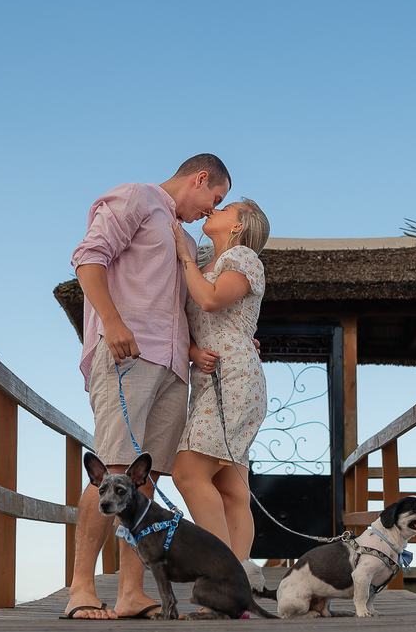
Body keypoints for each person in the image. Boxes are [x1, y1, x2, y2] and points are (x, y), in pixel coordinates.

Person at [64, 154, 231, 620]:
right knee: (114, 467)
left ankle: (130, 593)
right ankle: (81, 589)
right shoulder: (137, 197)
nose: (209, 210)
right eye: (213, 199)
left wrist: (195, 348)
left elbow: (180, 302)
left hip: (174, 365)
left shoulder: (186, 237)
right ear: (200, 178)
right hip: (128, 352)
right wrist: (112, 323)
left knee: (146, 478)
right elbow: (87, 258)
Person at [170, 197, 271, 592]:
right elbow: (200, 324)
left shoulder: (243, 258)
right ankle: (241, 578)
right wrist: (194, 352)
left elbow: (211, 300)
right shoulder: (211, 259)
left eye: (225, 208)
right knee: (231, 488)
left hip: (236, 379)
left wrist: (184, 257)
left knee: (188, 473)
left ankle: (221, 576)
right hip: (212, 376)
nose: (214, 209)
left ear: (238, 226)